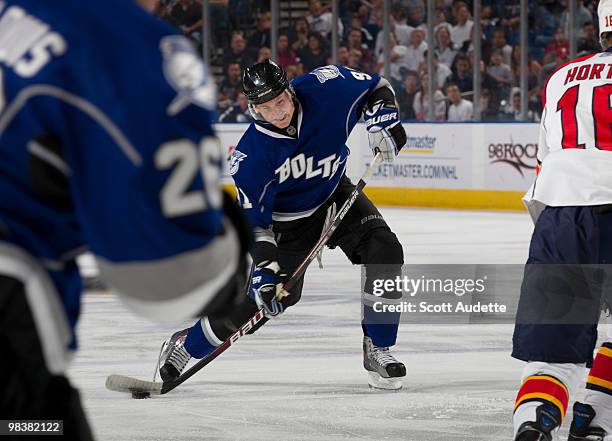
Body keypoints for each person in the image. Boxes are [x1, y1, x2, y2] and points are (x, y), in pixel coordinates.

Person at [0, 0, 251, 438]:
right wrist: (230, 257)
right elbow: (167, 281)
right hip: (10, 344)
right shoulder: (129, 47)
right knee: (35, 427)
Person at [158, 59, 409, 390]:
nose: (278, 113)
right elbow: (255, 223)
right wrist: (265, 267)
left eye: (280, 101)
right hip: (287, 226)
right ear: (253, 108)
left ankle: (377, 347)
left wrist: (384, 119)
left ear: (290, 90)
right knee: (263, 302)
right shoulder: (251, 157)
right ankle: (185, 345)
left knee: (386, 250)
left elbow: (378, 87)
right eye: (266, 107)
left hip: (335, 194)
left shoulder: (327, 88)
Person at [512, 1, 612, 439]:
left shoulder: (561, 77)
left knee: (553, 352)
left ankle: (534, 419)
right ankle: (597, 417)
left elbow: (544, 158)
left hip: (560, 213)